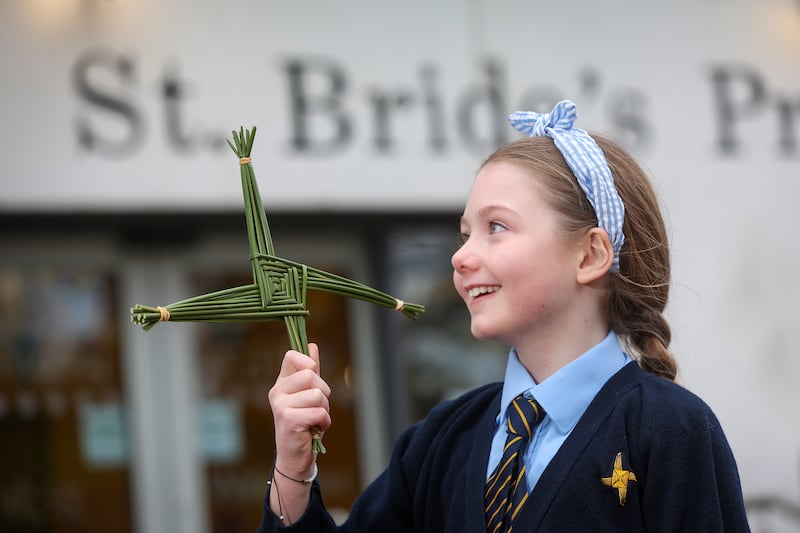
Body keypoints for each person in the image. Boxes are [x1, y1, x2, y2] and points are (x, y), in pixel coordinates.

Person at [259, 100, 750, 532]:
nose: (460, 256)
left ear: (590, 255)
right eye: (463, 233)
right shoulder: (441, 440)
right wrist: (294, 471)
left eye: (496, 227)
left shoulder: (668, 430)